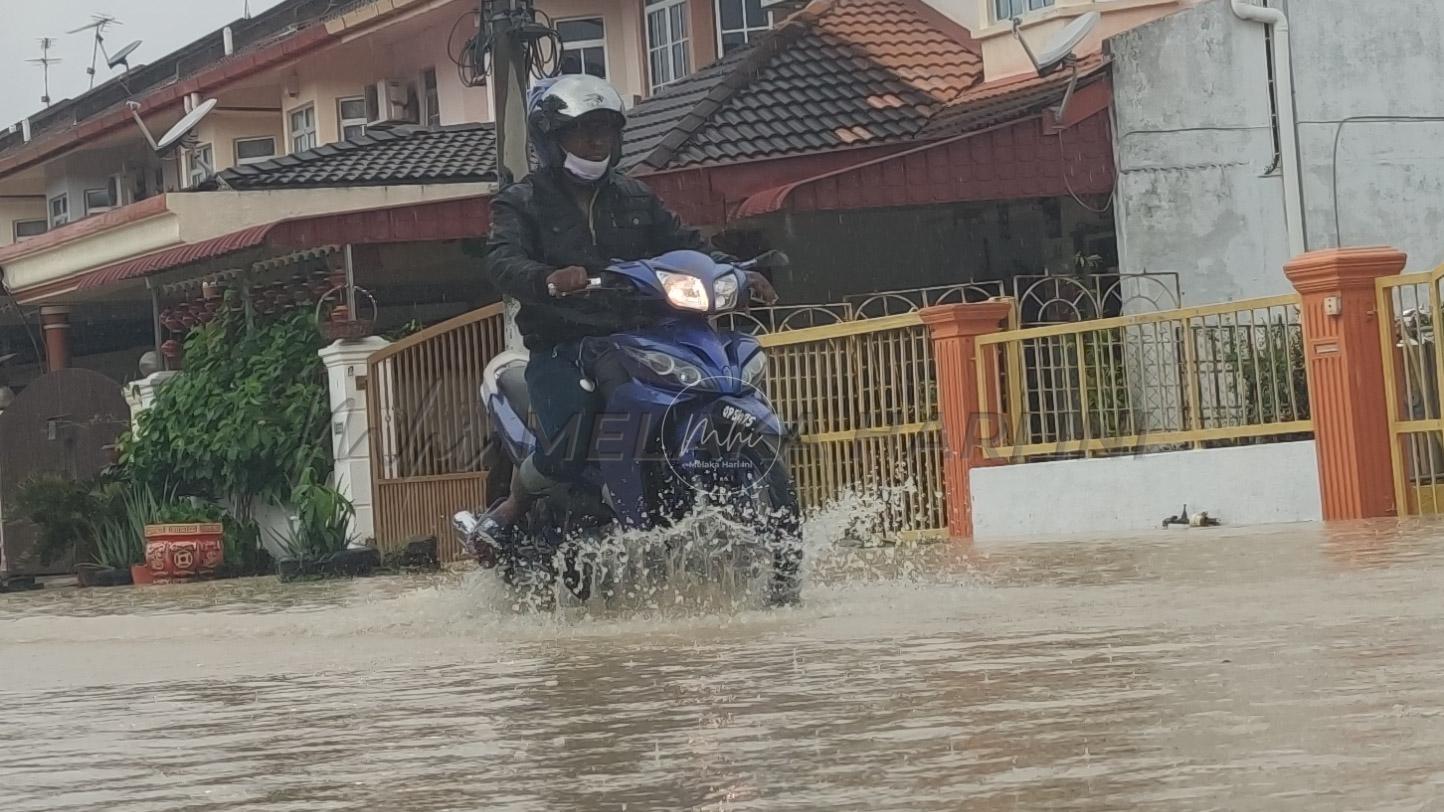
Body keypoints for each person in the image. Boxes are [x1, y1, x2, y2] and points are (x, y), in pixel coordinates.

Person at [475, 74, 777, 547]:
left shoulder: (635, 196)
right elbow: (502, 259)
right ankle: (514, 505)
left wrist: (735, 271)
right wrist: (546, 278)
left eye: (607, 130)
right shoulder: (521, 201)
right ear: (552, 138)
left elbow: (686, 244)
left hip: (644, 332)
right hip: (564, 342)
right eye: (584, 130)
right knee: (572, 442)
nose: (598, 141)